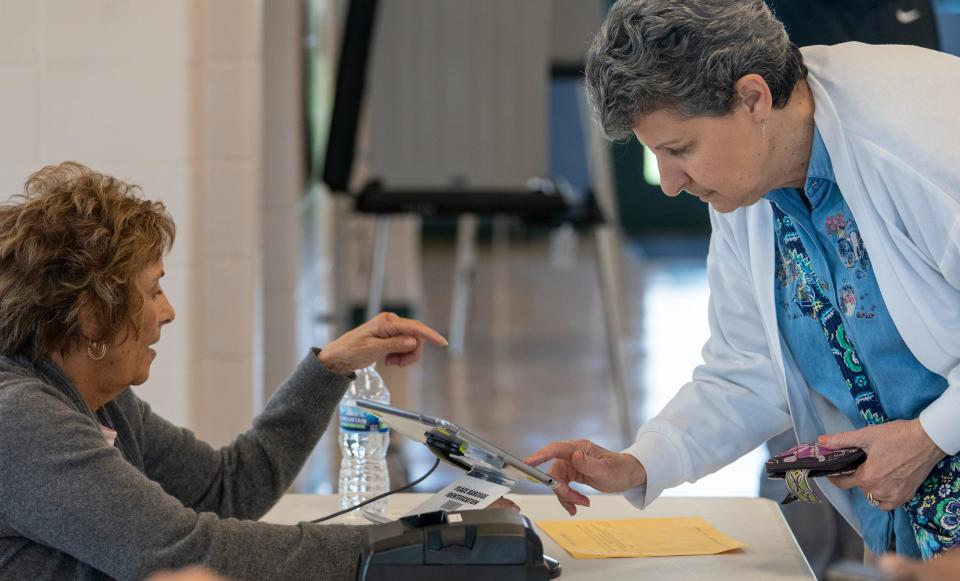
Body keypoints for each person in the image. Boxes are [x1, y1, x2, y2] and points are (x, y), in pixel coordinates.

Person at [526, 0, 959, 562]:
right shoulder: (750, 179)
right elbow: (746, 371)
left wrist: (928, 437)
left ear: (753, 98)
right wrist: (640, 463)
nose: (671, 184)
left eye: (680, 151)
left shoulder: (922, 140)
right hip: (918, 531)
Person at [0, 162, 448, 580]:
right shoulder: (22, 419)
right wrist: (418, 544)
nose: (168, 311)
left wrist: (332, 366)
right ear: (93, 317)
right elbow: (185, 552)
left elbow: (226, 489)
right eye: (154, 290)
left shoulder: (101, 400)